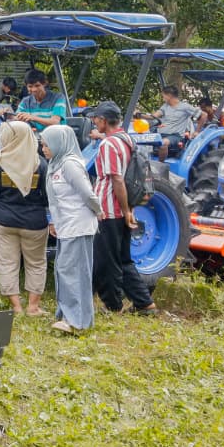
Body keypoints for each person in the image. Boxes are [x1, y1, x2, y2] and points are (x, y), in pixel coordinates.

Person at [86, 100, 158, 315]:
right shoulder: (125, 138)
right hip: (122, 209)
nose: (94, 122)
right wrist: (128, 210)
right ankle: (145, 303)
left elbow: (117, 179)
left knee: (106, 261)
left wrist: (125, 210)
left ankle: (113, 306)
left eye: (96, 118)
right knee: (123, 259)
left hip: (109, 209)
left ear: (104, 120)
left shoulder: (108, 145)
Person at [0, 121, 50, 316]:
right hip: (34, 223)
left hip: (3, 221)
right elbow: (48, 196)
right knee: (36, 263)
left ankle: (16, 307)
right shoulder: (40, 164)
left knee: (7, 263)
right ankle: (33, 307)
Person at [40, 124, 100, 334]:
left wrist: (98, 211)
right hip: (65, 225)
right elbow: (54, 199)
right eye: (43, 145)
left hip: (78, 225)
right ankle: (68, 315)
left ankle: (77, 321)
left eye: (47, 145)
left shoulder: (70, 165)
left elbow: (88, 194)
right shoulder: (55, 165)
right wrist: (53, 221)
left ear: (59, 143)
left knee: (73, 271)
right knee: (63, 270)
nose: (44, 149)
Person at [137, 84, 200, 161]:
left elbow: (203, 115)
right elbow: (153, 116)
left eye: (163, 96)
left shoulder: (185, 107)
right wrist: (140, 115)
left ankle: (160, 165)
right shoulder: (165, 106)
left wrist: (197, 131)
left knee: (163, 143)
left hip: (176, 137)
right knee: (140, 139)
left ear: (169, 96)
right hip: (161, 134)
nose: (163, 98)